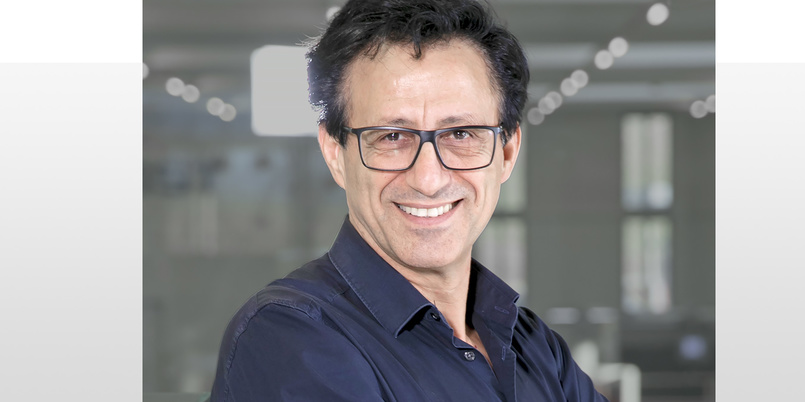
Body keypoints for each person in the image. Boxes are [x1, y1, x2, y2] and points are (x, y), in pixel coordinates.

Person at [211, 0, 608, 400]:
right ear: (335, 154)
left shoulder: (538, 348)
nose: (428, 179)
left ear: (506, 153)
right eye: (392, 137)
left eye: (461, 134)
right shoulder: (289, 338)